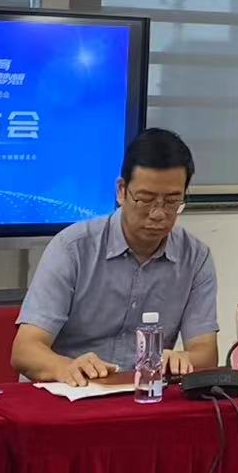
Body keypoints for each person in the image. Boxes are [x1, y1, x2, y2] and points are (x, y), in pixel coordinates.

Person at [13, 128, 219, 386]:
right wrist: (67, 367)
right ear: (122, 191)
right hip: (72, 394)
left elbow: (205, 353)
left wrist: (182, 359)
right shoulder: (72, 248)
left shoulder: (196, 258)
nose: (158, 214)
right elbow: (25, 350)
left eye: (171, 202)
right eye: (145, 200)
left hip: (145, 395)